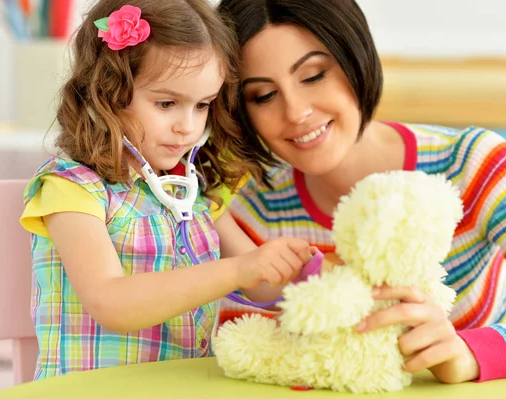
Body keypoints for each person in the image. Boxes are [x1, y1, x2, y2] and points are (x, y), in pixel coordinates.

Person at [217, 0, 506, 384]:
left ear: (356, 57)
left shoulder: (472, 163)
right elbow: (245, 350)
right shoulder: (256, 213)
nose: (296, 112)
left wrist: (471, 352)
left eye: (314, 75)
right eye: (263, 96)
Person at [19, 0, 313, 380]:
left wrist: (302, 269)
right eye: (167, 103)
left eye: (203, 105)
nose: (187, 127)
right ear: (108, 93)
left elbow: (262, 286)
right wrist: (237, 270)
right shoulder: (72, 190)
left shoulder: (189, 193)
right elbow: (111, 301)